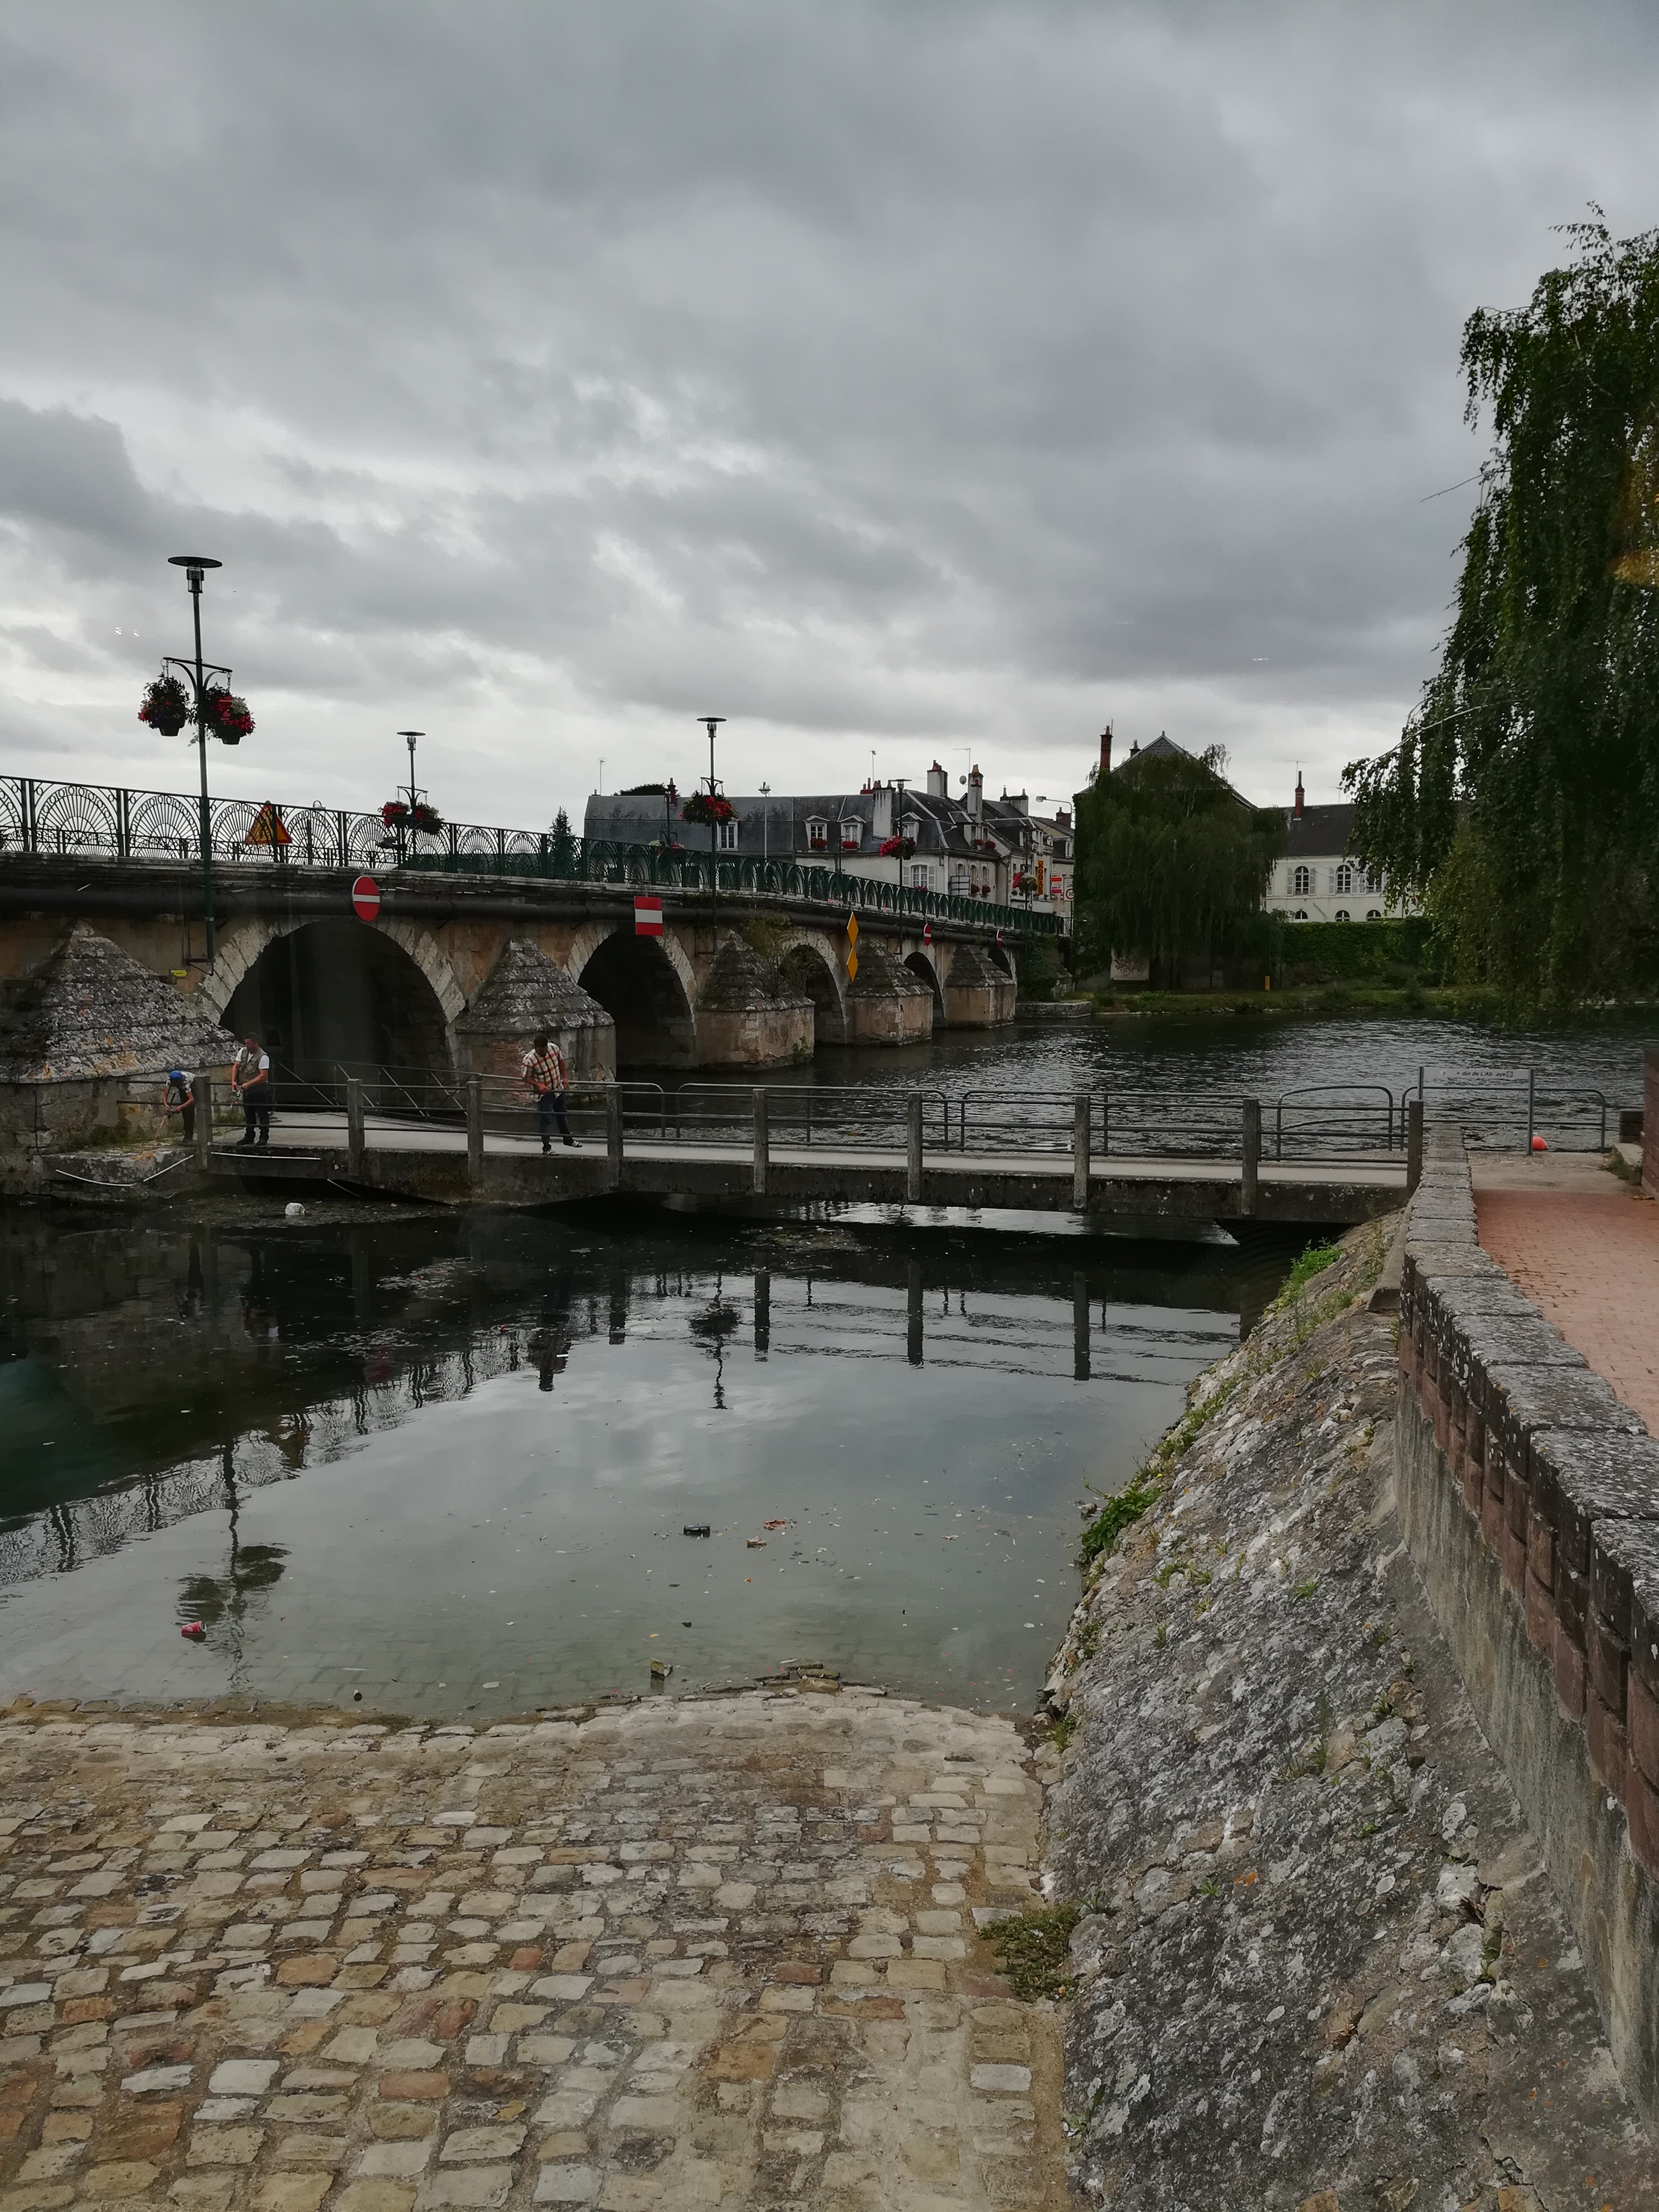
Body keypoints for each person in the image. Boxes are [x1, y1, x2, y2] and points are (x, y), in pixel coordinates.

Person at [521, 1030, 575, 1152]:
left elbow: (561, 1061)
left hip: (558, 1088)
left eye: (545, 1050)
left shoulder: (554, 1048)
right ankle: (546, 1147)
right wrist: (538, 1085)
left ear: (547, 1046)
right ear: (535, 1048)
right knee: (546, 1119)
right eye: (540, 1051)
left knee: (562, 1115)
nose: (543, 1053)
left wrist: (565, 1077)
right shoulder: (529, 1059)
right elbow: (525, 1077)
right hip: (545, 1093)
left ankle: (568, 1140)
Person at [232, 1034, 271, 1149]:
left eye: (248, 1044)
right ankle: (249, 1135)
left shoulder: (263, 1057)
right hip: (247, 1089)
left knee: (262, 1113)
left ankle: (264, 1136)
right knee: (249, 1113)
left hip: (259, 1089)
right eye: (246, 1043)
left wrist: (249, 1084)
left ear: (255, 1043)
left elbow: (263, 1076)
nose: (246, 1046)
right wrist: (233, 1081)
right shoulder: (243, 1052)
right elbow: (236, 1066)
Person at [162, 1069, 195, 1147]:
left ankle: (189, 1135)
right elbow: (165, 1095)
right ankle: (187, 1132)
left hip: (193, 1084)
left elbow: (191, 1099)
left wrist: (181, 1106)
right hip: (180, 1085)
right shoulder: (169, 1081)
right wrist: (166, 1104)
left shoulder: (186, 1082)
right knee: (184, 1106)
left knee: (189, 1109)